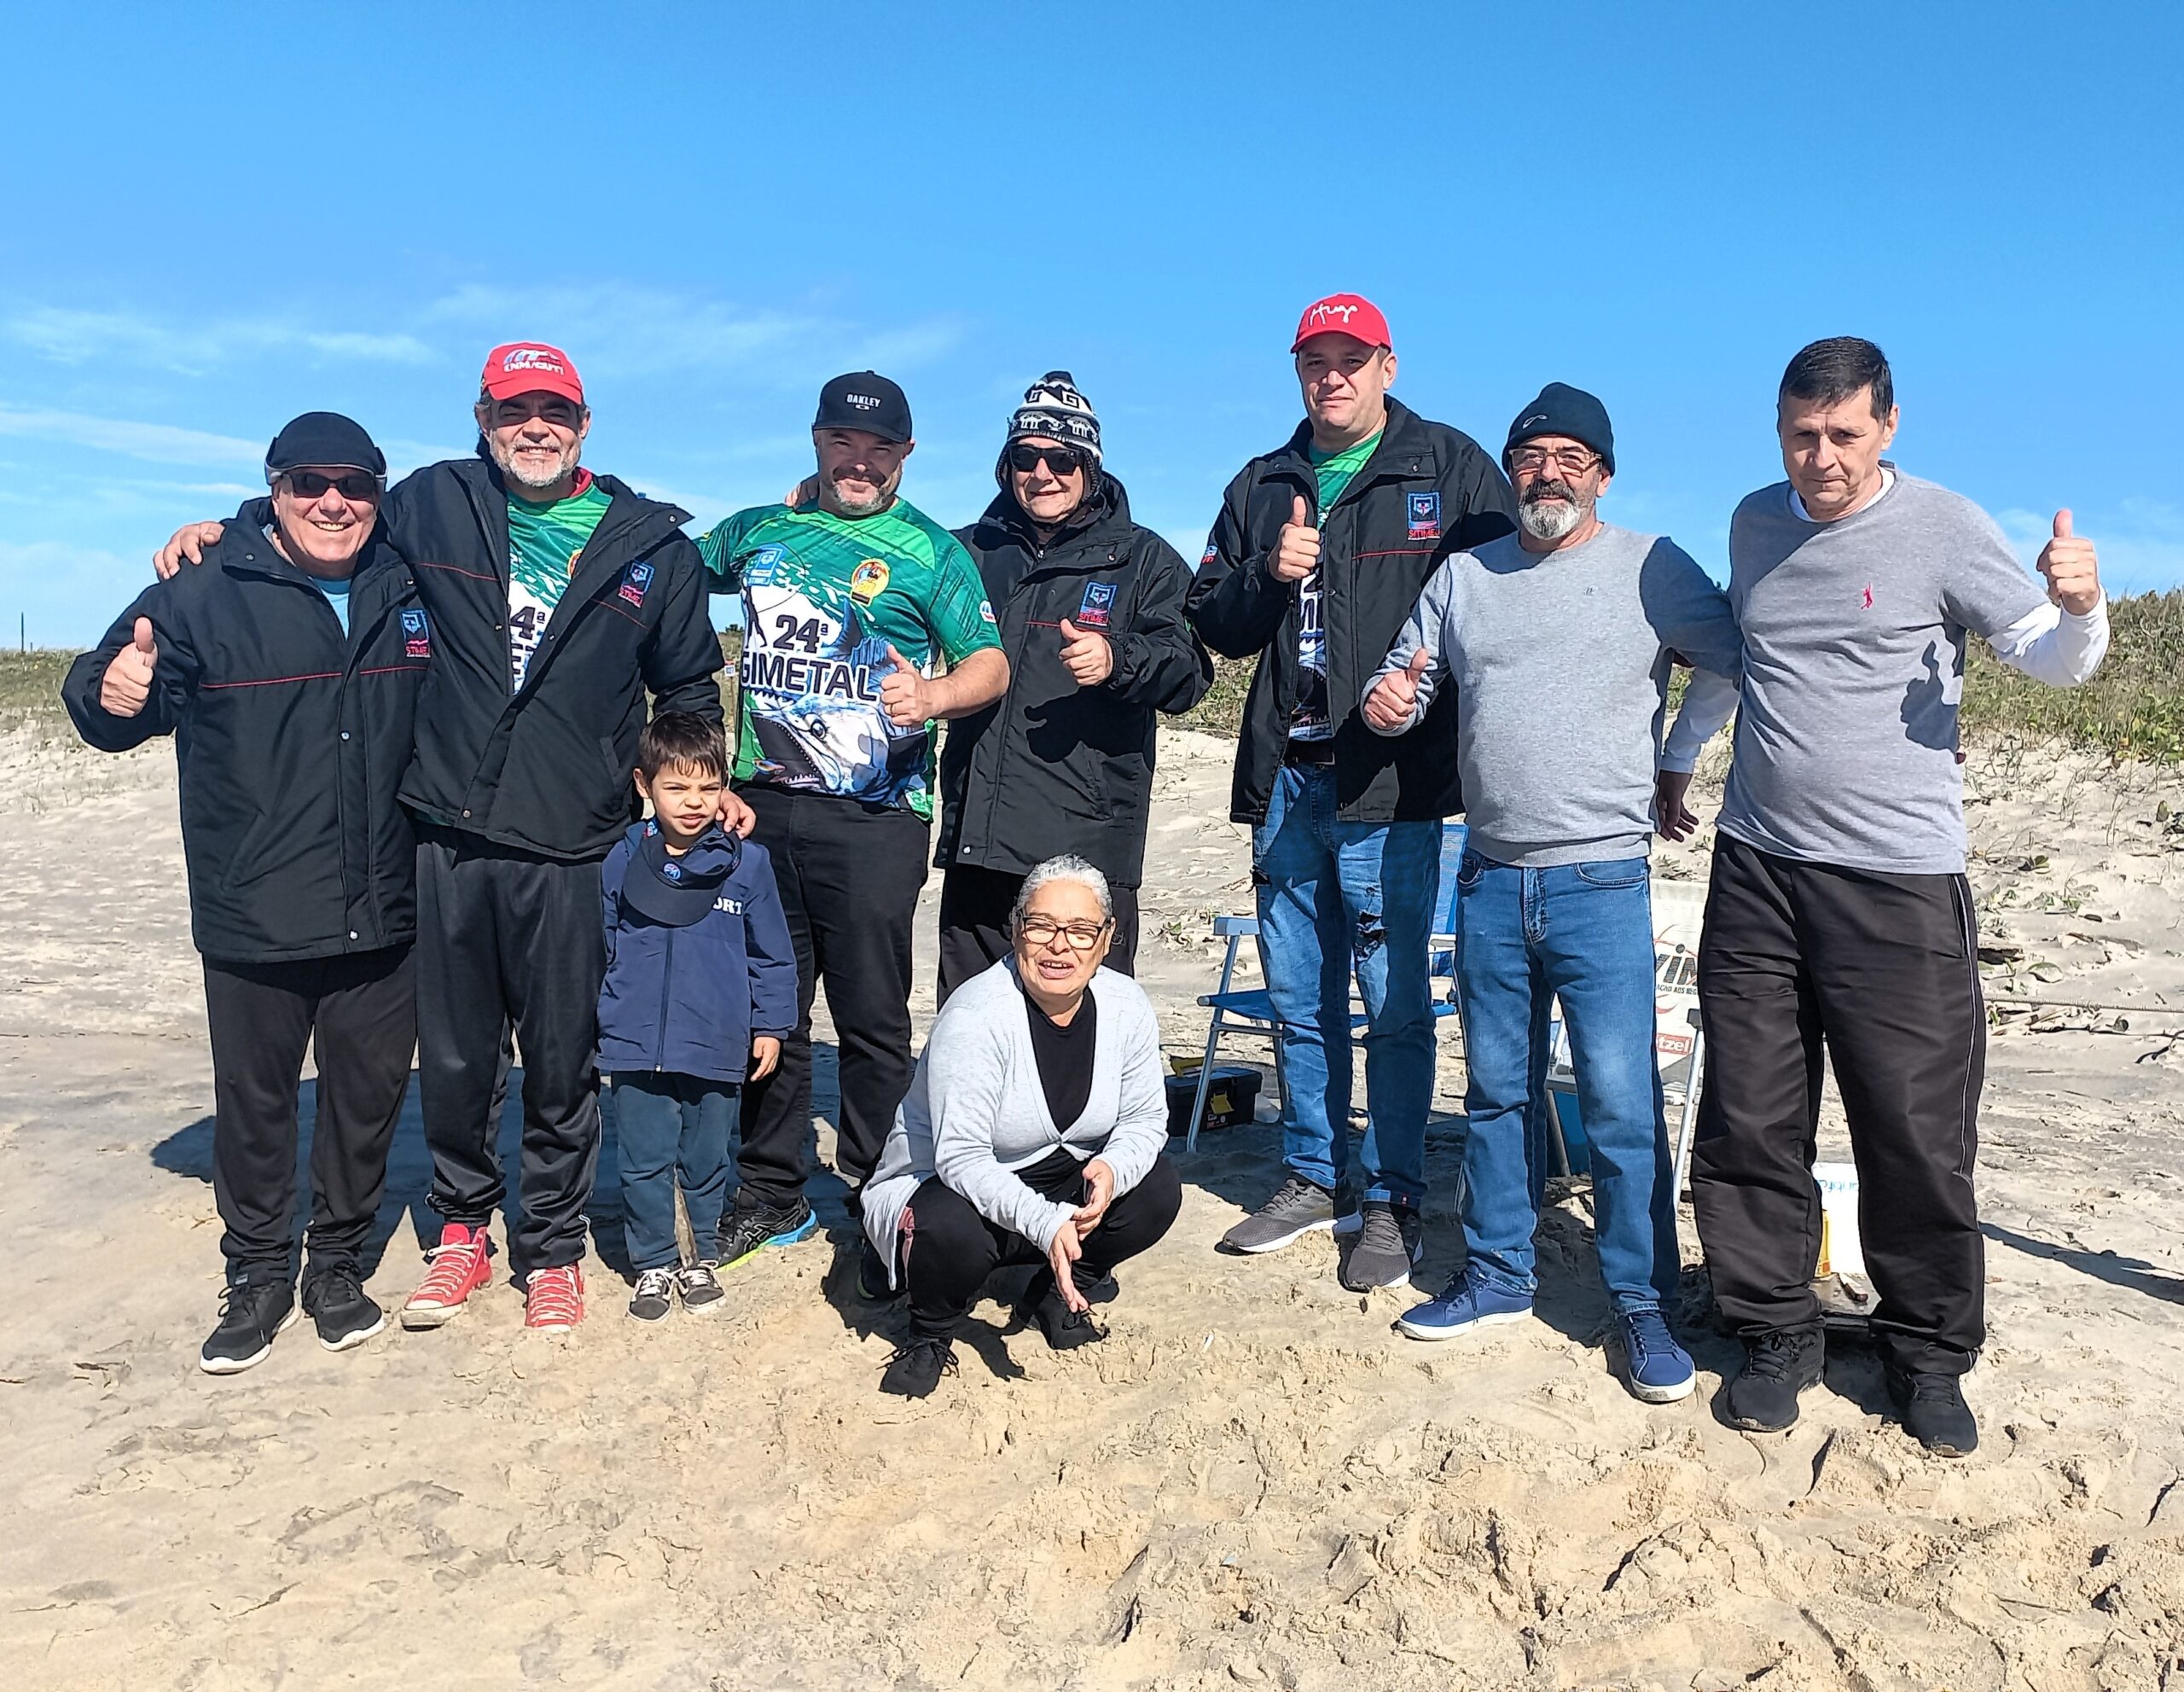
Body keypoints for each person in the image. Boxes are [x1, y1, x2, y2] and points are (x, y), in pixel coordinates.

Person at [154, 342, 736, 1334]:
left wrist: (694, 788)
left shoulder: (652, 547)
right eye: (513, 411)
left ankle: (550, 1247)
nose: (534, 428)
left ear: (584, 424)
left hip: (575, 844)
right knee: (460, 1063)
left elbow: (685, 688)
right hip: (446, 838)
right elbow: (326, 516)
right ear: (483, 420)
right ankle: (463, 1227)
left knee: (562, 1061)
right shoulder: (432, 503)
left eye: (554, 411)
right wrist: (229, 527)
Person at [1693, 336, 2109, 1457]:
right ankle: (1772, 1331)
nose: (1819, 458)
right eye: (1800, 434)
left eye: (1843, 434)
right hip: (1757, 865)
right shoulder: (1752, 522)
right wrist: (1678, 759)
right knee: (1749, 1118)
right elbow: (1741, 662)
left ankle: (1927, 1351)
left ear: (1887, 425)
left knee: (1915, 1131)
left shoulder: (1944, 524)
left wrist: (2082, 606)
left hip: (1900, 879)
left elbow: (2055, 659)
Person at [1360, 384, 1742, 1403]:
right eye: (1532, 456)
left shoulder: (1654, 567)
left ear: (1602, 476)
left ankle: (1641, 1304)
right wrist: (1387, 704)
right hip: (1486, 877)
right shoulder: (1465, 574)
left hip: (1600, 881)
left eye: (1573, 457)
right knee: (1496, 1093)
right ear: (1510, 471)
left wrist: (1677, 756)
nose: (1550, 472)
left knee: (1619, 1103)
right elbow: (1404, 682)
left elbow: (1730, 662)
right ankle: (1495, 1273)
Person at [67, 413, 427, 1373]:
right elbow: (106, 694)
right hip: (254, 904)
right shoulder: (200, 587)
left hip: (384, 900)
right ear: (274, 490)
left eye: (354, 484)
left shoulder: (409, 578)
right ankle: (259, 1273)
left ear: (379, 495)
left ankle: (336, 1263)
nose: (333, 502)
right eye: (309, 483)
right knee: (257, 1104)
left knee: (365, 1101)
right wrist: (112, 691)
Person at [1186, 294, 1517, 1292]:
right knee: (1299, 998)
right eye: (1314, 361)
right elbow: (1216, 623)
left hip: (1393, 786)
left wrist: (1427, 694)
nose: (1331, 376)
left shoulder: (1448, 467)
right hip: (1289, 779)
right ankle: (1312, 1174)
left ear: (1386, 366)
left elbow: (1507, 604)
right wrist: (1265, 571)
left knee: (1395, 1003)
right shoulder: (1261, 482)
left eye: (1351, 359)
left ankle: (1392, 1195)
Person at [696, 373, 1009, 1264]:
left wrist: (936, 694)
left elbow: (990, 663)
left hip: (878, 817)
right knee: (769, 1009)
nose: (859, 462)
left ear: (906, 454)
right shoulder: (758, 530)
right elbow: (673, 573)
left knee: (872, 1017)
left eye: (879, 449)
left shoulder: (932, 551)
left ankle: (881, 1193)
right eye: (842, 443)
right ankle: (772, 1191)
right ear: (816, 442)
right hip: (758, 808)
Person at [860, 855, 1183, 1397]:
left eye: (1081, 930)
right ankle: (930, 1331)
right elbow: (960, 1158)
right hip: (946, 1185)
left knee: (1155, 1188)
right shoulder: (976, 1015)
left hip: (1057, 1177)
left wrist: (1112, 1169)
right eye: (1042, 926)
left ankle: (1060, 1290)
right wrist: (1043, 1220)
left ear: (1107, 939)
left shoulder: (1126, 1004)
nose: (1060, 946)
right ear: (1016, 930)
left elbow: (1146, 1119)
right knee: (948, 1230)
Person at [935, 371, 1212, 997]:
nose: (1043, 474)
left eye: (1062, 459)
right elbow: (882, 557)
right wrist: (812, 500)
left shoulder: (1144, 558)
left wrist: (1118, 658)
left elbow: (1189, 672)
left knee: (1084, 1028)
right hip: (980, 843)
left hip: (1086, 850)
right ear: (1006, 466)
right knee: (969, 1024)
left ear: (1090, 467)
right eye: (1025, 458)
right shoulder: (963, 553)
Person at [596, 713, 799, 1320]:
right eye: (676, 787)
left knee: (707, 1158)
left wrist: (771, 1026)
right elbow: (601, 944)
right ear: (644, 785)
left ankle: (700, 1256)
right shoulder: (621, 859)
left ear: (725, 788)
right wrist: (603, 1019)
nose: (693, 802)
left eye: (708, 787)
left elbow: (772, 955)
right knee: (643, 1159)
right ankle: (655, 1263)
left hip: (716, 1042)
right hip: (636, 1043)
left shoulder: (749, 865)